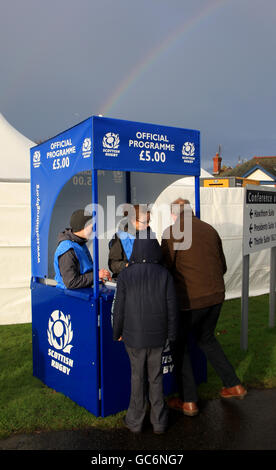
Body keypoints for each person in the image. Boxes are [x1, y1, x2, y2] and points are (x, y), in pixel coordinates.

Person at [161, 198, 247, 416]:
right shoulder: (210, 230)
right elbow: (223, 265)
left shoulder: (171, 233)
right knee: (206, 339)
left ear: (174, 214)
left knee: (180, 346)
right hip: (216, 296)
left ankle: (188, 401)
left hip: (191, 301)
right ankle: (234, 384)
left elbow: (166, 270)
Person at [112, 231, 178, 434]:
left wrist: (117, 332)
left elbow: (119, 308)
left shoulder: (125, 275)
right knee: (156, 378)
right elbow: (172, 308)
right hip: (158, 336)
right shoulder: (165, 274)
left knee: (137, 377)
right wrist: (172, 335)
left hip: (133, 337)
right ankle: (159, 422)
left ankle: (135, 421)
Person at [54, 209, 111, 289]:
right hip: (70, 296)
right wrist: (96, 275)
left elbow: (86, 270)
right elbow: (71, 283)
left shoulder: (79, 243)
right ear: (82, 227)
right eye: (91, 227)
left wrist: (100, 274)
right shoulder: (67, 249)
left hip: (83, 291)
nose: (94, 230)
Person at [108, 204, 151, 279]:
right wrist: (127, 265)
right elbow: (113, 265)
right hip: (126, 280)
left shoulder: (150, 235)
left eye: (148, 221)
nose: (148, 225)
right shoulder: (119, 237)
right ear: (133, 220)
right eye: (144, 222)